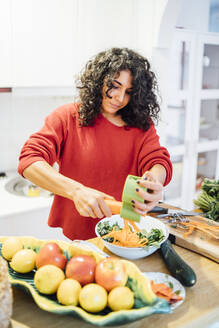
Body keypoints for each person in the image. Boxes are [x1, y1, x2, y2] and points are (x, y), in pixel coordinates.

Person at [18, 47, 172, 241]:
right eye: (114, 86)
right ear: (99, 80)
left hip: (127, 232)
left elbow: (157, 159)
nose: (120, 98)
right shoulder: (67, 117)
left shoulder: (142, 125)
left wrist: (155, 180)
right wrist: (76, 191)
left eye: (129, 92)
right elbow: (30, 160)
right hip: (80, 234)